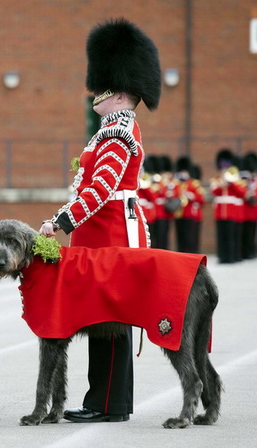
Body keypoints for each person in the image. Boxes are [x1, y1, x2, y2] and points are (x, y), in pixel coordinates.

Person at [40, 18, 161, 423]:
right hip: (102, 235)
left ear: (121, 93)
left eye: (104, 87)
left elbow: (99, 191)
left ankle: (106, 403)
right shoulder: (110, 129)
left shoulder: (117, 134)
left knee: (108, 322)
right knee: (102, 320)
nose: (97, 93)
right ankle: (108, 401)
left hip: (109, 235)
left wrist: (59, 221)